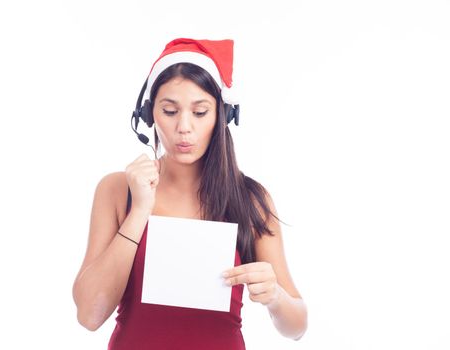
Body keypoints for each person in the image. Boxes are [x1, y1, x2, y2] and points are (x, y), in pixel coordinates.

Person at [72, 38, 307, 349]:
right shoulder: (118, 190)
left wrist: (275, 295)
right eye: (169, 111)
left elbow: (297, 328)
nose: (184, 127)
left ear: (221, 116)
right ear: (148, 114)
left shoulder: (249, 199)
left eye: (199, 112)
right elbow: (90, 315)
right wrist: (140, 211)